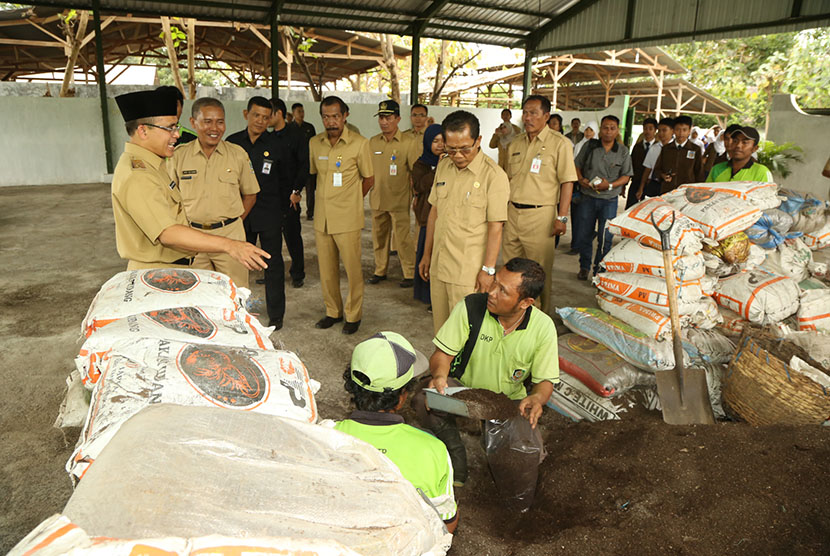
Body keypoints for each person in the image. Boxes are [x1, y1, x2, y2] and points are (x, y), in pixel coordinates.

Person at [414, 258, 559, 485]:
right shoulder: (471, 307)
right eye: (495, 282)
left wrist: (538, 398)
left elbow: (545, 381)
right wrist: (440, 375)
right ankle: (455, 453)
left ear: (525, 302)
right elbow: (442, 355)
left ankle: (494, 450)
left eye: (503, 290)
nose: (491, 292)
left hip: (510, 402)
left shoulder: (543, 327)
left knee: (527, 456)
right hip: (463, 393)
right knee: (424, 398)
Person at [111, 88, 269, 272]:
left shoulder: (155, 165)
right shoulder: (138, 175)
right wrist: (231, 245)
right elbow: (168, 233)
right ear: (143, 131)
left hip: (174, 262)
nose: (177, 134)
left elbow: (250, 194)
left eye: (175, 127)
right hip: (157, 271)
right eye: (169, 128)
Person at [334, 331, 458, 532]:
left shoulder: (323, 436)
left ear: (352, 385)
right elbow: (446, 522)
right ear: (402, 397)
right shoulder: (433, 449)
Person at [419, 110, 509, 334]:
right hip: (439, 265)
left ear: (478, 141)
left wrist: (487, 271)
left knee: (467, 331)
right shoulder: (443, 166)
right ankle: (445, 368)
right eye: (451, 149)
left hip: (468, 272)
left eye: (465, 149)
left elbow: (495, 227)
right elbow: (434, 213)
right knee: (441, 329)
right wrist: (426, 254)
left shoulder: (493, 176)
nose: (458, 155)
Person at [168, 98, 260, 289]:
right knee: (196, 294)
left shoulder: (237, 154)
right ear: (193, 123)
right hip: (192, 238)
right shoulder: (179, 156)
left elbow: (251, 194)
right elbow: (169, 198)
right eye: (207, 121)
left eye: (220, 122)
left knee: (235, 294)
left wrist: (235, 223)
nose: (215, 128)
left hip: (231, 237)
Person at [502, 95, 576, 314]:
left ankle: (538, 319)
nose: (527, 117)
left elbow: (567, 182)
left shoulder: (559, 144)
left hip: (540, 215)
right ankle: (513, 314)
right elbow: (508, 179)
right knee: (512, 268)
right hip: (513, 213)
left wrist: (562, 217)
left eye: (533, 113)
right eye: (525, 112)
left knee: (538, 271)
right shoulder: (515, 143)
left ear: (546, 116)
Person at [309, 96, 374, 335]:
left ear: (345, 116)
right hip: (322, 219)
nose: (331, 121)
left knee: (353, 271)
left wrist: (353, 201)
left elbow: (369, 179)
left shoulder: (359, 143)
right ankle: (332, 312)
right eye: (326, 116)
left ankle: (353, 314)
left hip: (347, 219)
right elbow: (315, 175)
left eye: (335, 116)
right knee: (326, 271)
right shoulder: (315, 143)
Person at [227, 96, 288, 328]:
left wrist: (281, 213)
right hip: (240, 214)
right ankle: (238, 310)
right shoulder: (232, 143)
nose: (260, 121)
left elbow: (285, 181)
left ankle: (276, 315)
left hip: (269, 213)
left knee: (272, 265)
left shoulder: (276, 145)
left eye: (265, 117)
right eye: (256, 115)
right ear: (246, 115)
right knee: (238, 264)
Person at [573, 115, 633, 280]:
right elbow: (576, 165)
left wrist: (611, 185)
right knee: (585, 234)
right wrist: (581, 179)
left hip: (609, 200)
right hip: (588, 197)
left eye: (612, 128)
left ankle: (599, 270)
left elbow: (626, 176)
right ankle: (584, 267)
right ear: (600, 130)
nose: (608, 131)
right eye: (605, 127)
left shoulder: (622, 151)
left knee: (606, 237)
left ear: (617, 131)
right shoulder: (590, 146)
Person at [367, 100, 419, 288]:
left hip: (399, 200)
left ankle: (409, 273)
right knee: (379, 238)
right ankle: (380, 270)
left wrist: (417, 196)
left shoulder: (408, 143)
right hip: (377, 199)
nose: (384, 122)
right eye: (381, 118)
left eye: (388, 118)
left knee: (403, 239)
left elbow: (416, 172)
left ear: (397, 119)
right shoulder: (373, 142)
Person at [271, 98, 309, 290]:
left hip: (290, 196)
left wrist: (296, 191)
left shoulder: (296, 135)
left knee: (293, 236)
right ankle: (273, 272)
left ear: (278, 114)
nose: (264, 119)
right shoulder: (268, 137)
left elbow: (304, 166)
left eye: (268, 114)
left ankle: (297, 273)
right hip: (272, 197)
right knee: (272, 238)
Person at [412, 124, 444, 308]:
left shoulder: (451, 161)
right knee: (427, 255)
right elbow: (421, 185)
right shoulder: (421, 164)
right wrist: (437, 169)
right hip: (427, 217)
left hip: (445, 218)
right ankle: (428, 296)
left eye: (442, 141)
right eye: (435, 141)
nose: (439, 145)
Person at [652, 115, 704, 194]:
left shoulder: (695, 149)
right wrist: (663, 175)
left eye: (684, 130)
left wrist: (698, 191)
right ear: (673, 131)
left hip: (687, 192)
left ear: (689, 131)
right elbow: (657, 170)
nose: (681, 133)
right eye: (678, 129)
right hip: (667, 191)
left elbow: (699, 172)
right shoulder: (666, 149)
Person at [706, 126, 773, 182]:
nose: (738, 145)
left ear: (755, 148)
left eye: (744, 142)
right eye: (735, 141)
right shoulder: (716, 169)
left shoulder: (761, 173)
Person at [636, 117, 674, 201]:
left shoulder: (676, 149)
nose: (661, 133)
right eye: (659, 131)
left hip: (670, 187)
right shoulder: (654, 148)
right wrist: (641, 188)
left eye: (664, 130)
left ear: (672, 130)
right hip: (653, 184)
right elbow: (647, 169)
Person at [623, 117, 658, 209]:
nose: (647, 131)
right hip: (636, 181)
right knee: (631, 208)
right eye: (645, 128)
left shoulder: (659, 147)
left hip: (650, 183)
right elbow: (631, 164)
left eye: (650, 128)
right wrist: (624, 184)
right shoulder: (637, 147)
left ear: (655, 130)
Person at [291, 102, 317, 220]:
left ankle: (310, 212)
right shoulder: (290, 128)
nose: (301, 114)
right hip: (295, 165)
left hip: (308, 163)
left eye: (302, 111)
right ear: (293, 113)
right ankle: (295, 209)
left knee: (311, 190)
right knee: (295, 189)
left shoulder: (309, 127)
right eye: (299, 112)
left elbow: (315, 145)